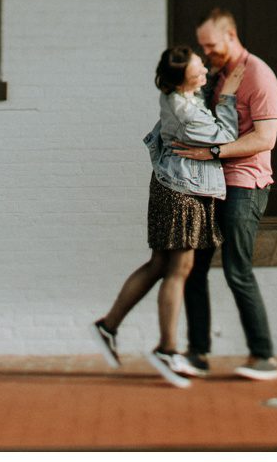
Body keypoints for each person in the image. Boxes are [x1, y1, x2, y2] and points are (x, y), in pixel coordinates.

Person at [93, 45, 246, 387]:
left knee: (160, 264)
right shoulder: (186, 112)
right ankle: (167, 348)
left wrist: (214, 81)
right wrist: (229, 97)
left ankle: (108, 326)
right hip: (181, 194)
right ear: (181, 82)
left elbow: (201, 91)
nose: (205, 73)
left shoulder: (179, 94)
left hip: (173, 186)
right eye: (198, 72)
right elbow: (226, 138)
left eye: (203, 66)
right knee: (180, 269)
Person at [168, 9, 277, 382]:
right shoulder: (216, 75)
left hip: (245, 184)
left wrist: (213, 153)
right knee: (193, 269)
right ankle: (197, 354)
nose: (206, 51)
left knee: (237, 271)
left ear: (230, 35)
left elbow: (265, 139)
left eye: (211, 45)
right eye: (202, 46)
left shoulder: (259, 76)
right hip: (210, 185)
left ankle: (263, 356)